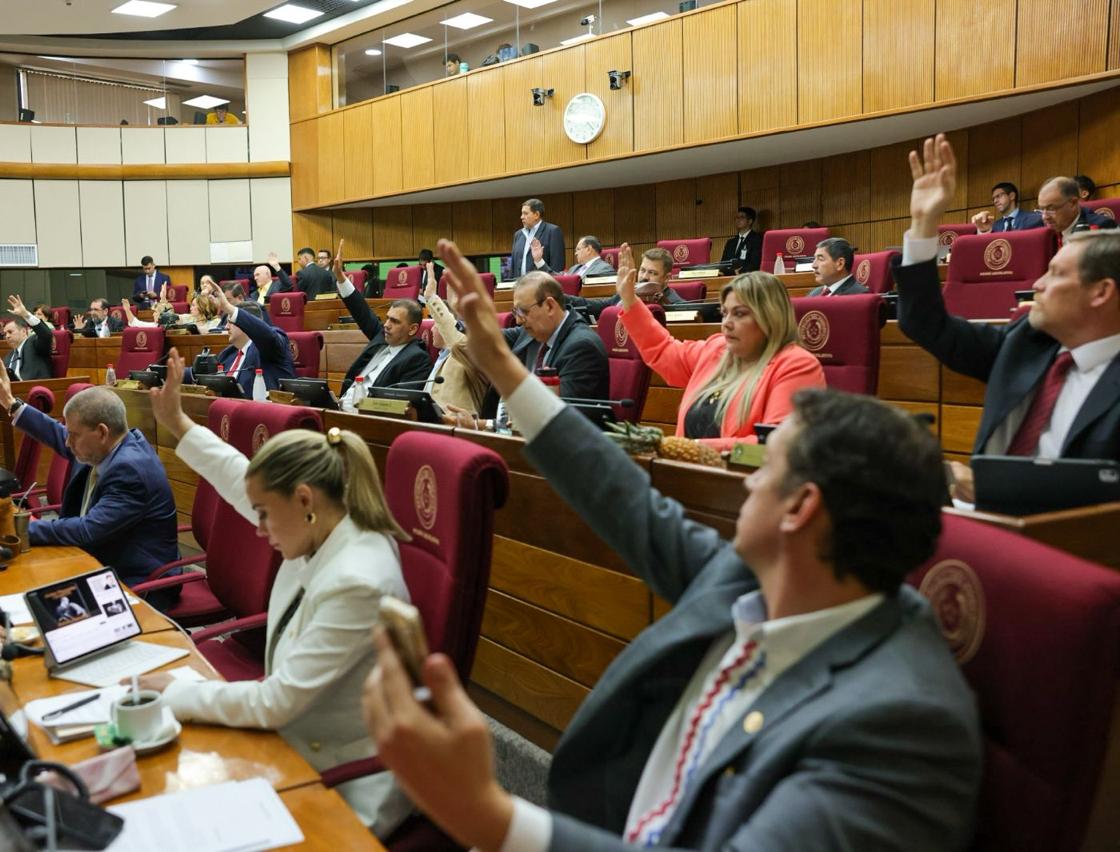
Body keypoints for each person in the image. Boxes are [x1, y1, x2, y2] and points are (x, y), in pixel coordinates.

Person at [359, 238, 983, 852]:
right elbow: (621, 496)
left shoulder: (897, 725)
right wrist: (503, 367)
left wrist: (490, 818)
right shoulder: (752, 580)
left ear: (801, 510)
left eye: (768, 469)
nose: (750, 480)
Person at [139, 347, 412, 838]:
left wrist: (177, 693)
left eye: (264, 514)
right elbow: (239, 478)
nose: (258, 527)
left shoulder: (358, 579)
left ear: (304, 498)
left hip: (341, 778)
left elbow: (276, 703)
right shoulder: (323, 521)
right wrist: (179, 423)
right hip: (296, 738)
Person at [894, 133, 1120, 501]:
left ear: (1101, 292)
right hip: (980, 516)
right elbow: (923, 321)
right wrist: (923, 224)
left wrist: (996, 491)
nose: (1038, 284)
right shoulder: (1025, 343)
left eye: (1056, 274)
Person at [0, 357, 179, 592]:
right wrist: (11, 403)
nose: (67, 442)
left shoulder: (130, 471)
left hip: (137, 580)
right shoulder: (106, 445)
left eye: (73, 434)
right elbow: (57, 433)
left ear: (101, 432)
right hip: (98, 557)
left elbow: (87, 530)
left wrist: (13, 528)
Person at [615, 244, 825, 449]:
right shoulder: (717, 349)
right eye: (725, 313)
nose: (727, 323)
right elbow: (663, 350)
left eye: (739, 314)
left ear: (770, 317)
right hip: (687, 466)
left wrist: (692, 449)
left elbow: (776, 444)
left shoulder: (796, 365)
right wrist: (630, 300)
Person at [472, 271, 606, 427]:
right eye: (515, 312)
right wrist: (461, 320)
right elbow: (489, 338)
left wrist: (481, 425)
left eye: (523, 311)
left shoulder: (582, 348)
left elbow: (557, 421)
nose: (518, 320)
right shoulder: (535, 330)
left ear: (549, 306)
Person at [334, 243, 433, 408]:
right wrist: (340, 277)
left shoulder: (417, 359)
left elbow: (399, 406)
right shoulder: (382, 337)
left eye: (395, 321)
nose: (386, 325)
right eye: (387, 319)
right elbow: (361, 310)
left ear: (412, 329)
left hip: (366, 416)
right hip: (340, 406)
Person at [201, 286, 294, 395]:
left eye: (231, 322)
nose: (226, 327)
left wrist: (228, 307)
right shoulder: (228, 354)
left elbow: (268, 336)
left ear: (247, 324)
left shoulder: (270, 346)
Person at [422, 267, 489, 414]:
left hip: (461, 423)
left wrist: (431, 297)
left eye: (436, 323)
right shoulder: (441, 356)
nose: (432, 329)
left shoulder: (474, 349)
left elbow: (453, 333)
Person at [567, 247, 690, 321]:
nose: (644, 277)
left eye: (652, 273)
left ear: (667, 278)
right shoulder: (629, 291)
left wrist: (664, 304)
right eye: (642, 270)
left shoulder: (673, 301)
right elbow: (599, 306)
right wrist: (563, 298)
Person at [1037, 176, 1117, 244]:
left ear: (1073, 203)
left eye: (1051, 209)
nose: (1045, 217)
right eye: (1042, 209)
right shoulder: (1043, 232)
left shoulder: (1100, 228)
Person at [1, 295, 54, 381]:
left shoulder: (34, 343)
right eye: (5, 334)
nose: (7, 336)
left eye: (10, 332)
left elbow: (46, 335)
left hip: (33, 386)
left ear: (23, 331)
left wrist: (25, 314)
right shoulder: (8, 357)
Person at [511, 198, 566, 276]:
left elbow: (557, 267)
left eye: (525, 213)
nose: (521, 217)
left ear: (536, 215)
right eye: (522, 213)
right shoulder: (518, 235)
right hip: (520, 283)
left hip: (543, 283)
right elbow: (513, 267)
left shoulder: (553, 231)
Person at [971, 182, 1043, 233]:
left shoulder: (1034, 219)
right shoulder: (994, 226)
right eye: (993, 199)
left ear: (1012, 196)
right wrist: (983, 230)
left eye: (998, 196)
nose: (995, 201)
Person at [720, 206, 764, 273]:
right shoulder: (730, 242)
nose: (738, 220)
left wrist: (739, 272)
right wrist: (733, 272)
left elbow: (755, 263)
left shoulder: (757, 239)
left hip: (747, 276)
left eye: (742, 217)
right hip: (729, 277)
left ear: (750, 221)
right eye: (737, 217)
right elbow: (723, 264)